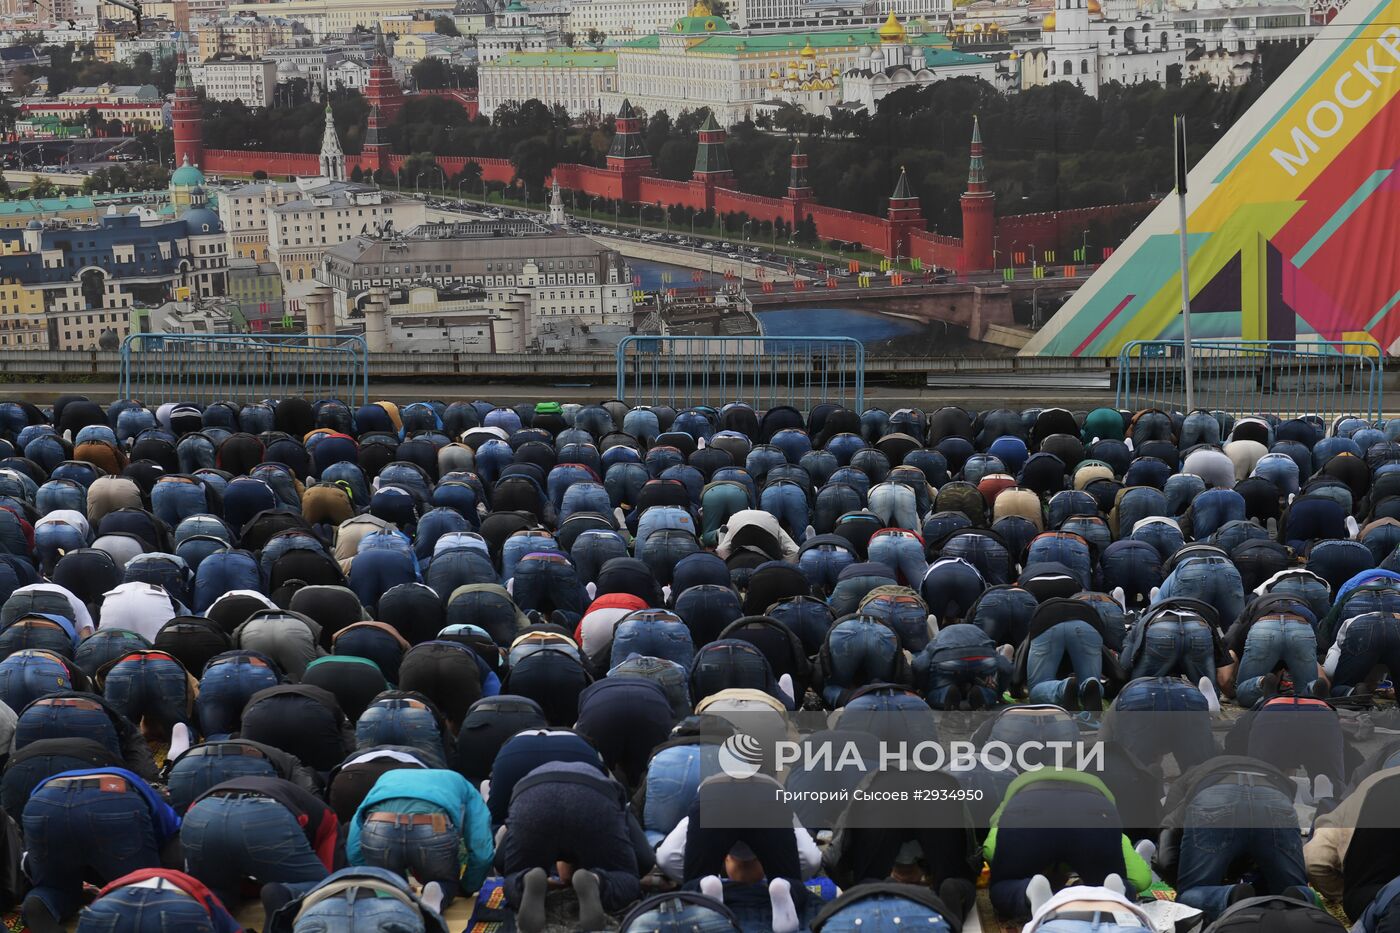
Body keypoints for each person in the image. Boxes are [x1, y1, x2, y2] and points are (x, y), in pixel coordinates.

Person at [497, 760, 655, 933]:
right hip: (594, 802)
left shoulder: (529, 779)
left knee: (513, 875)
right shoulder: (608, 784)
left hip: (532, 800)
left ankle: (525, 881)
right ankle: (596, 882)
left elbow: (500, 861)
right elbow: (645, 859)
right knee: (627, 878)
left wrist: (517, 870)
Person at [21, 767, 181, 933]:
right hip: (113, 798)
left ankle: (41, 901)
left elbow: (29, 859)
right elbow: (170, 829)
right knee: (142, 888)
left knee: (54, 888)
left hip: (43, 801)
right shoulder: (144, 788)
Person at [345, 767, 493, 911]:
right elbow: (481, 845)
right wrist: (467, 887)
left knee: (389, 886)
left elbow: (353, 846)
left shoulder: (388, 777)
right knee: (445, 882)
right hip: (434, 825)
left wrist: (376, 877)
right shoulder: (461, 782)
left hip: (378, 824)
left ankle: (394, 893)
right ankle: (438, 889)